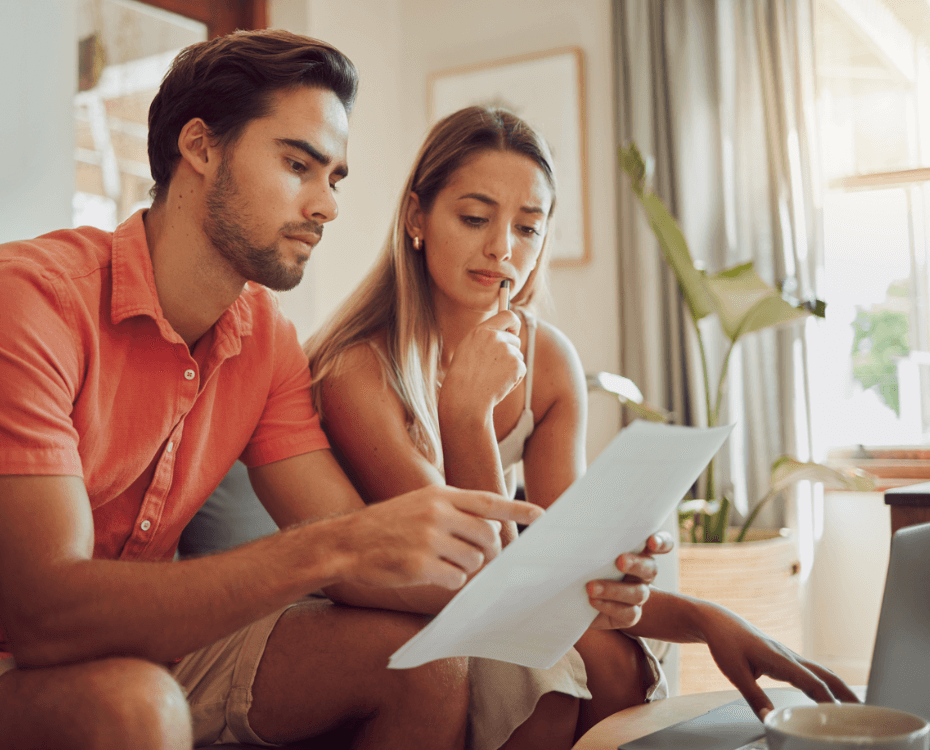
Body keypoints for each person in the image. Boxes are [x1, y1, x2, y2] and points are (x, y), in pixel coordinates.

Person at [0, 32, 669, 750]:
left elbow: (364, 549)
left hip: (156, 648)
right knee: (132, 708)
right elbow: (47, 617)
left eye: (335, 177)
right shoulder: (17, 303)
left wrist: (590, 585)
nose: (329, 206)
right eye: (300, 164)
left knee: (422, 661)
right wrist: (335, 549)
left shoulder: (264, 340)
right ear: (200, 147)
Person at [305, 106, 859, 749]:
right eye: (475, 218)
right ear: (417, 218)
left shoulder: (547, 359)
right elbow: (479, 575)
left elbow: (560, 571)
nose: (501, 248)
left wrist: (710, 619)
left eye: (529, 227)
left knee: (615, 660)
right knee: (557, 672)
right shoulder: (358, 369)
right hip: (399, 602)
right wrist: (466, 414)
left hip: (492, 594)